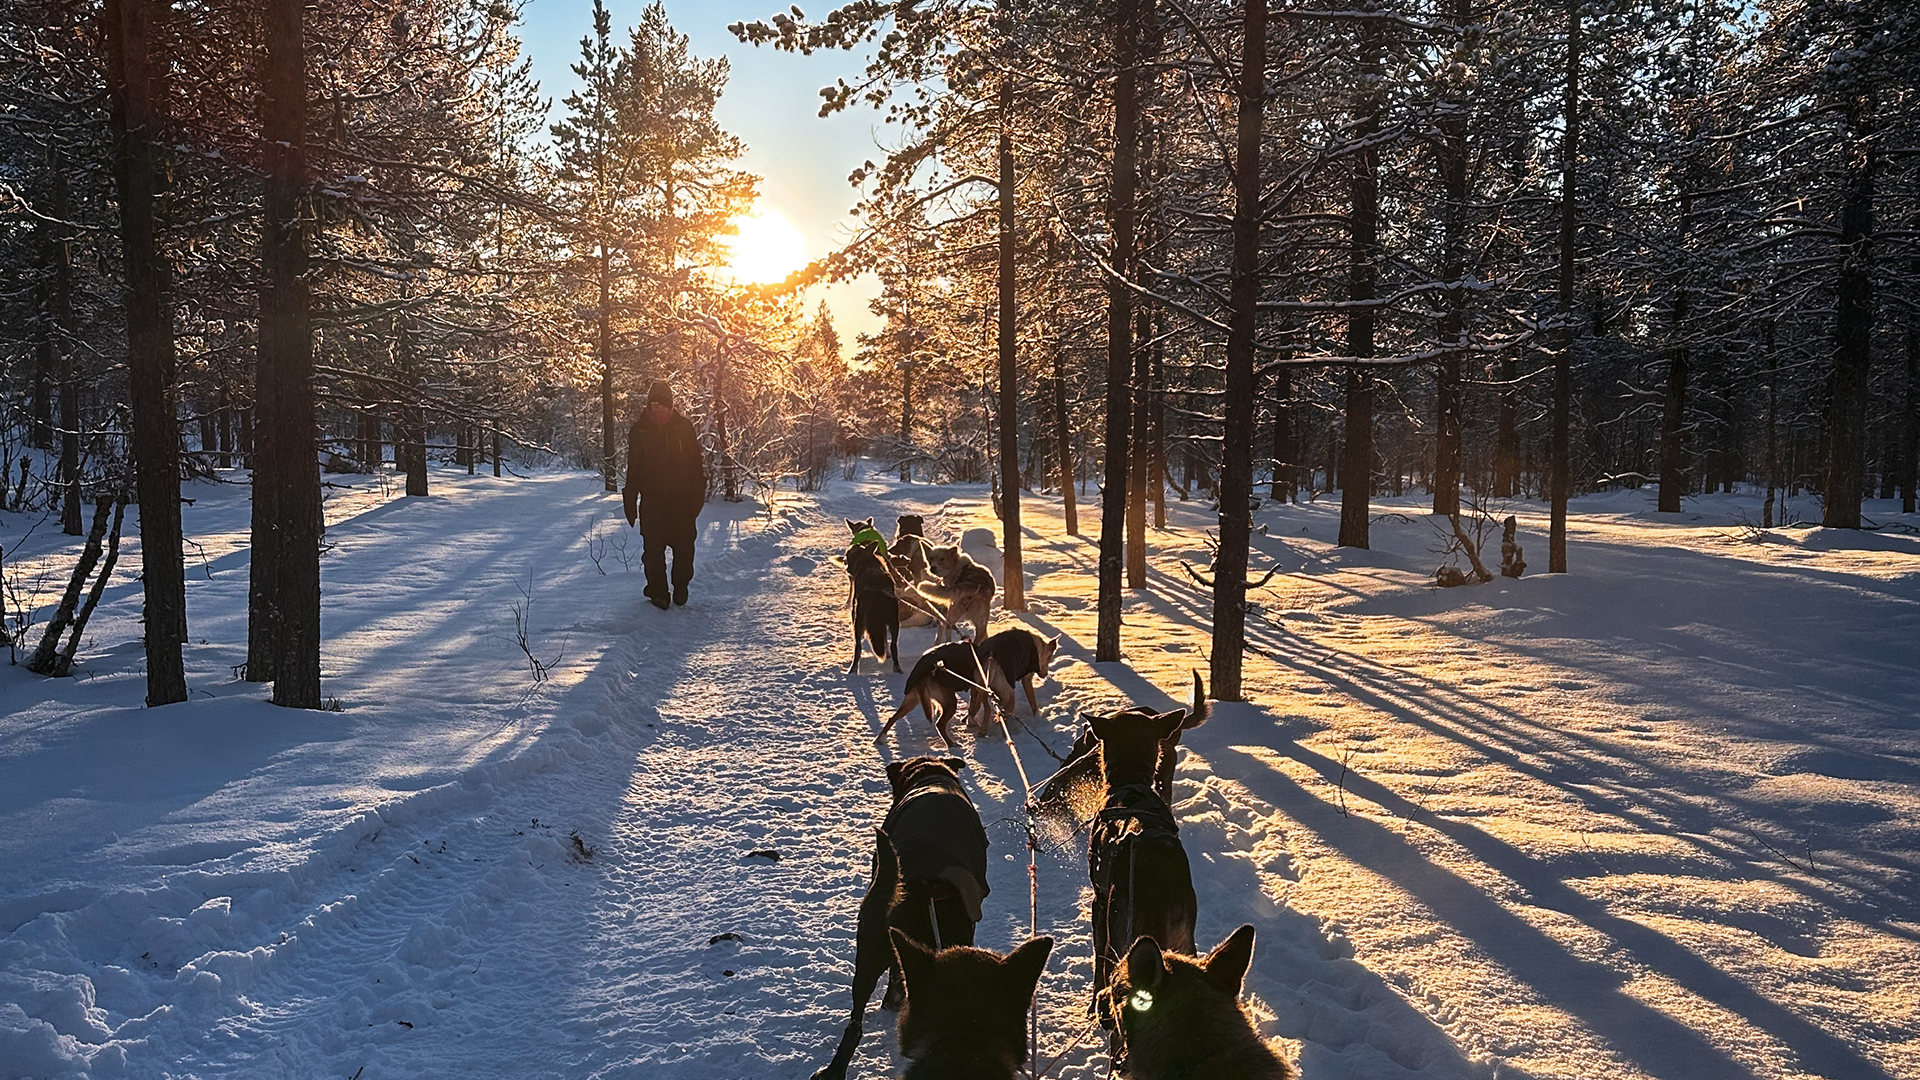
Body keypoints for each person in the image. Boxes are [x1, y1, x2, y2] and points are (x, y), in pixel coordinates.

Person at [622, 380, 707, 609]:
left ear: (670, 407)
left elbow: (696, 466)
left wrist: (697, 498)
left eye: (661, 406)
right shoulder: (639, 431)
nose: (656, 410)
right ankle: (658, 592)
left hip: (681, 501)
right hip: (652, 502)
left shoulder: (684, 428)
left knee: (684, 548)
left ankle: (681, 586)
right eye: (653, 406)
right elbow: (634, 468)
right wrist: (629, 498)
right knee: (652, 551)